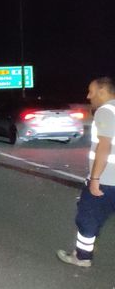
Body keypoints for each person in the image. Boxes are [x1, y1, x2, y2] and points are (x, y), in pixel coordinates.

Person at [57, 76, 115, 267]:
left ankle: (82, 257)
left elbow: (104, 146)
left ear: (102, 91)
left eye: (91, 91)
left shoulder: (105, 111)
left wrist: (95, 178)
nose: (88, 96)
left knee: (87, 217)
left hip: (107, 180)